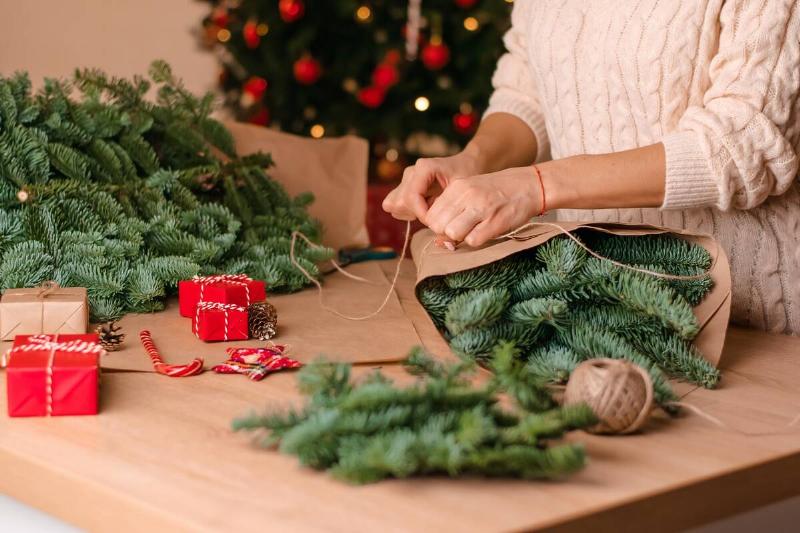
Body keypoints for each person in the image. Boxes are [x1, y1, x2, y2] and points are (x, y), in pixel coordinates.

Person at [383, 0, 800, 336]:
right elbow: (526, 87)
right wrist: (470, 162)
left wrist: (537, 185)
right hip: (588, 302)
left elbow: (744, 146)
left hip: (748, 321)